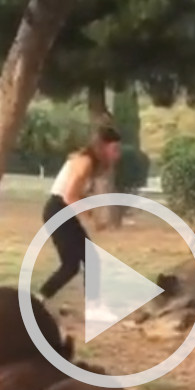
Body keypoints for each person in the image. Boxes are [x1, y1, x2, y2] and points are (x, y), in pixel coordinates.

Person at [37, 125, 122, 321]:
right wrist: (89, 216)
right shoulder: (85, 162)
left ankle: (40, 299)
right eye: (114, 149)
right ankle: (90, 308)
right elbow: (69, 196)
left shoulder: (88, 163)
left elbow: (74, 195)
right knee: (80, 261)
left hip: (60, 210)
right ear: (103, 147)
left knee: (75, 263)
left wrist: (89, 212)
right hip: (58, 210)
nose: (117, 155)